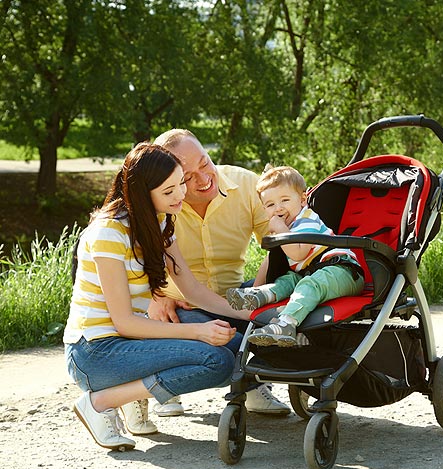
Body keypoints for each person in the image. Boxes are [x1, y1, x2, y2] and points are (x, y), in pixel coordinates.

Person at [64, 143, 252, 451]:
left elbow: (193, 290)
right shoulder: (109, 232)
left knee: (236, 347)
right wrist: (197, 331)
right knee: (215, 360)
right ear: (141, 193)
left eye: (180, 184)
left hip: (127, 344)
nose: (180, 195)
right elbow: (124, 323)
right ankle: (100, 401)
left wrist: (252, 314)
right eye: (169, 191)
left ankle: (122, 394)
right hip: (93, 353)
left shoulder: (160, 221)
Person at [147, 129, 290, 415]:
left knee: (283, 299)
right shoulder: (159, 202)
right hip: (179, 306)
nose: (203, 179)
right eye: (188, 177)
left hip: (234, 295)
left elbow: (282, 244)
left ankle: (251, 385)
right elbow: (133, 260)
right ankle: (165, 381)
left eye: (205, 162)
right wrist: (154, 296)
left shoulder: (247, 185)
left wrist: (256, 296)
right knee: (231, 347)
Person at [226, 165, 365, 347]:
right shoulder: (290, 225)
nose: (278, 209)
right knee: (288, 280)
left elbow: (298, 254)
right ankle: (260, 295)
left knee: (307, 284)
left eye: (284, 200)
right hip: (311, 272)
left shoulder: (307, 219)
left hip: (343, 271)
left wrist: (281, 231)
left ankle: (285, 323)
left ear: (302, 200)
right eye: (270, 205)